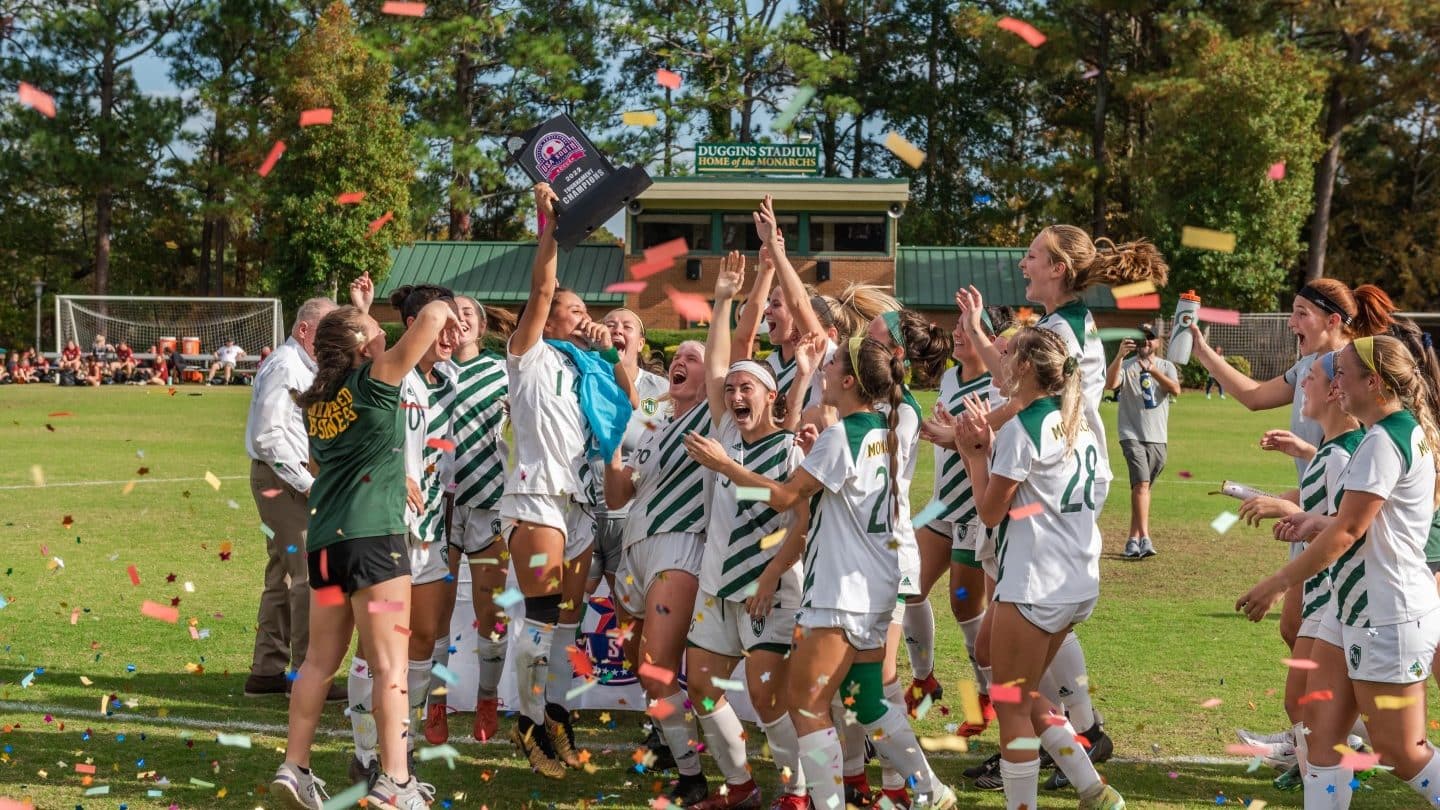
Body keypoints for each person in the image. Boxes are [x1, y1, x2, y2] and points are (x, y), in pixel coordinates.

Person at [689, 336, 957, 810]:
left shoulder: (842, 435)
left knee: (807, 705)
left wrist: (725, 465)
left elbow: (785, 498)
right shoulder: (888, 427)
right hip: (878, 589)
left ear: (851, 380)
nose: (825, 371)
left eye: (832, 365)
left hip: (839, 591)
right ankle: (931, 791)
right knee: (868, 700)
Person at [1190, 281, 1394, 763]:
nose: (1291, 323)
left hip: (1335, 520)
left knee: (1314, 632)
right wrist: (1201, 352)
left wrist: (1296, 500)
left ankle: (1338, 734)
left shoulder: (1354, 374)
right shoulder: (1309, 368)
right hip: (1312, 508)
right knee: (1295, 628)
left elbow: (1357, 466)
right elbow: (1256, 396)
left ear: (1333, 321)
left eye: (1302, 313)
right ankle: (1328, 734)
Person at [271, 295, 460, 810]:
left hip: (327, 546)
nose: (384, 338)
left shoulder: (319, 400)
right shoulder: (379, 378)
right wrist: (445, 307)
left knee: (317, 664)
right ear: (359, 345)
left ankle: (295, 767)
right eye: (375, 332)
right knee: (389, 667)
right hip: (375, 541)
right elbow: (433, 317)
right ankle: (395, 780)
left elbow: (328, 461)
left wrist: (390, 469)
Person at [1238, 335, 1440, 810]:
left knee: (1400, 752)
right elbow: (1363, 522)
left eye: (1343, 374)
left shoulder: (1383, 440)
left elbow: (1349, 533)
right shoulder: (1390, 432)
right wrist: (1317, 520)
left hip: (1386, 613)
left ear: (1374, 382)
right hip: (1351, 608)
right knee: (1318, 730)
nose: (1337, 385)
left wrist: (1276, 583)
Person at [955, 326, 1126, 810]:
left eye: (1009, 354)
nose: (1002, 361)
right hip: (1076, 576)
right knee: (1018, 685)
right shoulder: (1078, 423)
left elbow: (989, 512)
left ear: (1027, 367)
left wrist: (974, 455)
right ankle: (1093, 789)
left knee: (1010, 702)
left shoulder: (1023, 427)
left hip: (1036, 582)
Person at [502, 182, 630, 779]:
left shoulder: (586, 370)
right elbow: (543, 284)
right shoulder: (527, 352)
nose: (586, 318)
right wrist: (548, 225)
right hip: (535, 496)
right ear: (547, 317)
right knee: (541, 617)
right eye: (575, 311)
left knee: (565, 627)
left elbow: (627, 417)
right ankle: (524, 722)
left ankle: (553, 713)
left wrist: (611, 357)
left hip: (579, 506)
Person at [678, 252, 811, 810]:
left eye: (746, 389)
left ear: (770, 398)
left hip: (771, 586)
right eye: (730, 390)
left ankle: (798, 791)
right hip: (717, 584)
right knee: (704, 688)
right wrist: (725, 301)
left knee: (764, 693)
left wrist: (768, 580)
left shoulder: (791, 448)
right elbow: (715, 363)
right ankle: (740, 787)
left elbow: (793, 518)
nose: (734, 396)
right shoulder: (723, 435)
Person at [1234, 352, 1365, 789]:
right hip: (1326, 592)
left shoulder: (1343, 454)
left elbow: (1341, 528)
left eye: (1309, 378)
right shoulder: (1332, 448)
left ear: (1334, 390)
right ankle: (1323, 779)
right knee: (1307, 706)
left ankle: (1331, 772)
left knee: (1308, 706)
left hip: (1333, 593)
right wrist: (1307, 451)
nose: (1300, 388)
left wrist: (1287, 509)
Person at [243, 296, 340, 700]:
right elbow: (269, 435)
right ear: (304, 330)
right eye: (327, 331)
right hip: (285, 480)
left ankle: (267, 670)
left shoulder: (298, 364)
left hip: (282, 478)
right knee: (307, 576)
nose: (333, 341)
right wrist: (306, 482)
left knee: (282, 573)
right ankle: (303, 674)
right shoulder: (286, 365)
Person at [917, 306, 1007, 739]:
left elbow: (983, 444)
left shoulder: (997, 386)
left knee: (965, 607)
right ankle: (923, 680)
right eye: (956, 326)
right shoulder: (951, 378)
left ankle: (985, 700)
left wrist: (950, 435)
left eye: (967, 328)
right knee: (907, 588)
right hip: (939, 506)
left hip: (975, 509)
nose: (957, 332)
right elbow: (948, 433)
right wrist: (936, 429)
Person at [426, 295, 511, 746]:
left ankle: (487, 696)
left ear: (479, 327)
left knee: (490, 613)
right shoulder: (430, 370)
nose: (458, 319)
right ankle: (436, 701)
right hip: (439, 506)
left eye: (467, 314)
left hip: (489, 504)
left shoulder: (501, 370)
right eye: (450, 312)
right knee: (436, 614)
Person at [1107, 324, 1181, 559]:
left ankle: (1132, 540)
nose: (1146, 342)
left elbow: (1175, 390)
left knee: (1143, 490)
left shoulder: (1166, 366)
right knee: (1141, 486)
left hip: (1158, 437)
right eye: (1142, 339)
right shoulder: (1127, 366)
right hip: (1131, 435)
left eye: (1150, 339)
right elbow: (1110, 385)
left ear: (1157, 342)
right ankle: (1146, 539)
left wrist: (1152, 372)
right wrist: (1119, 355)